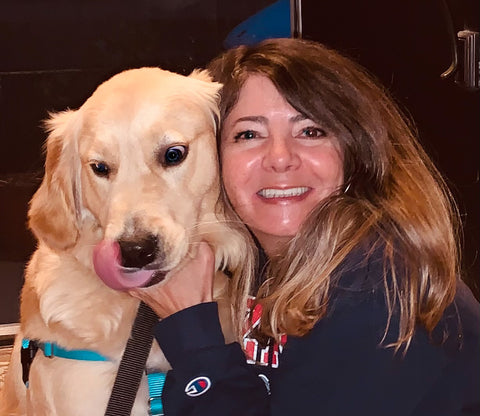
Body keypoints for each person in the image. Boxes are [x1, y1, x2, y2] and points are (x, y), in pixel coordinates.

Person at [130, 38, 480, 415]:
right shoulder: (262, 263)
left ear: (357, 151)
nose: (280, 158)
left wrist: (192, 331)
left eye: (311, 131)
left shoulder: (379, 286)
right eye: (248, 134)